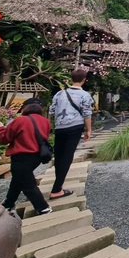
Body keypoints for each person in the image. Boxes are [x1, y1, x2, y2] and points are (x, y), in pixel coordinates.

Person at [0, 98, 52, 215]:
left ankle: (43, 208)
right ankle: (8, 204)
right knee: (17, 181)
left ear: (25, 108)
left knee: (28, 185)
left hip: (22, 157)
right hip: (37, 156)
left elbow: (4, 139)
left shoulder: (20, 121)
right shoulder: (45, 121)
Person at [48, 69, 93, 199]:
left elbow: (52, 111)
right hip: (75, 126)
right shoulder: (85, 95)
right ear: (84, 80)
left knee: (59, 156)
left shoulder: (60, 93)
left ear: (71, 78)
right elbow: (86, 113)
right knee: (67, 156)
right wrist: (88, 130)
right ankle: (57, 189)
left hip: (60, 127)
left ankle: (58, 185)